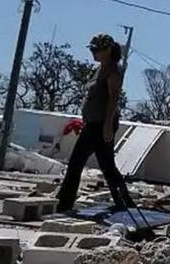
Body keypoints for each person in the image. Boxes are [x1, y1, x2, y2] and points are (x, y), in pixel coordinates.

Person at [55, 33, 135, 212]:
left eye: (97, 49)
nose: (93, 52)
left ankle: (64, 202)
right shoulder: (99, 69)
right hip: (92, 123)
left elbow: (113, 98)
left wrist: (107, 125)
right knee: (106, 165)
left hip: (101, 124)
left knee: (77, 162)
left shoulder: (113, 70)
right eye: (92, 49)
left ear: (108, 50)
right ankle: (124, 202)